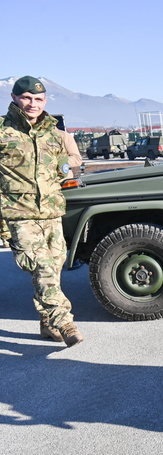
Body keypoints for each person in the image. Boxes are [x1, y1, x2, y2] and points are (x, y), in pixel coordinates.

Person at [0, 76, 83, 347]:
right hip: (19, 214)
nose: (32, 104)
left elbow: (74, 159)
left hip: (51, 212)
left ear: (45, 101)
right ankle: (64, 322)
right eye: (26, 98)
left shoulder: (54, 132)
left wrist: (60, 164)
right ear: (14, 98)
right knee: (42, 268)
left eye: (37, 99)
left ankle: (47, 326)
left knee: (53, 268)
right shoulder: (2, 131)